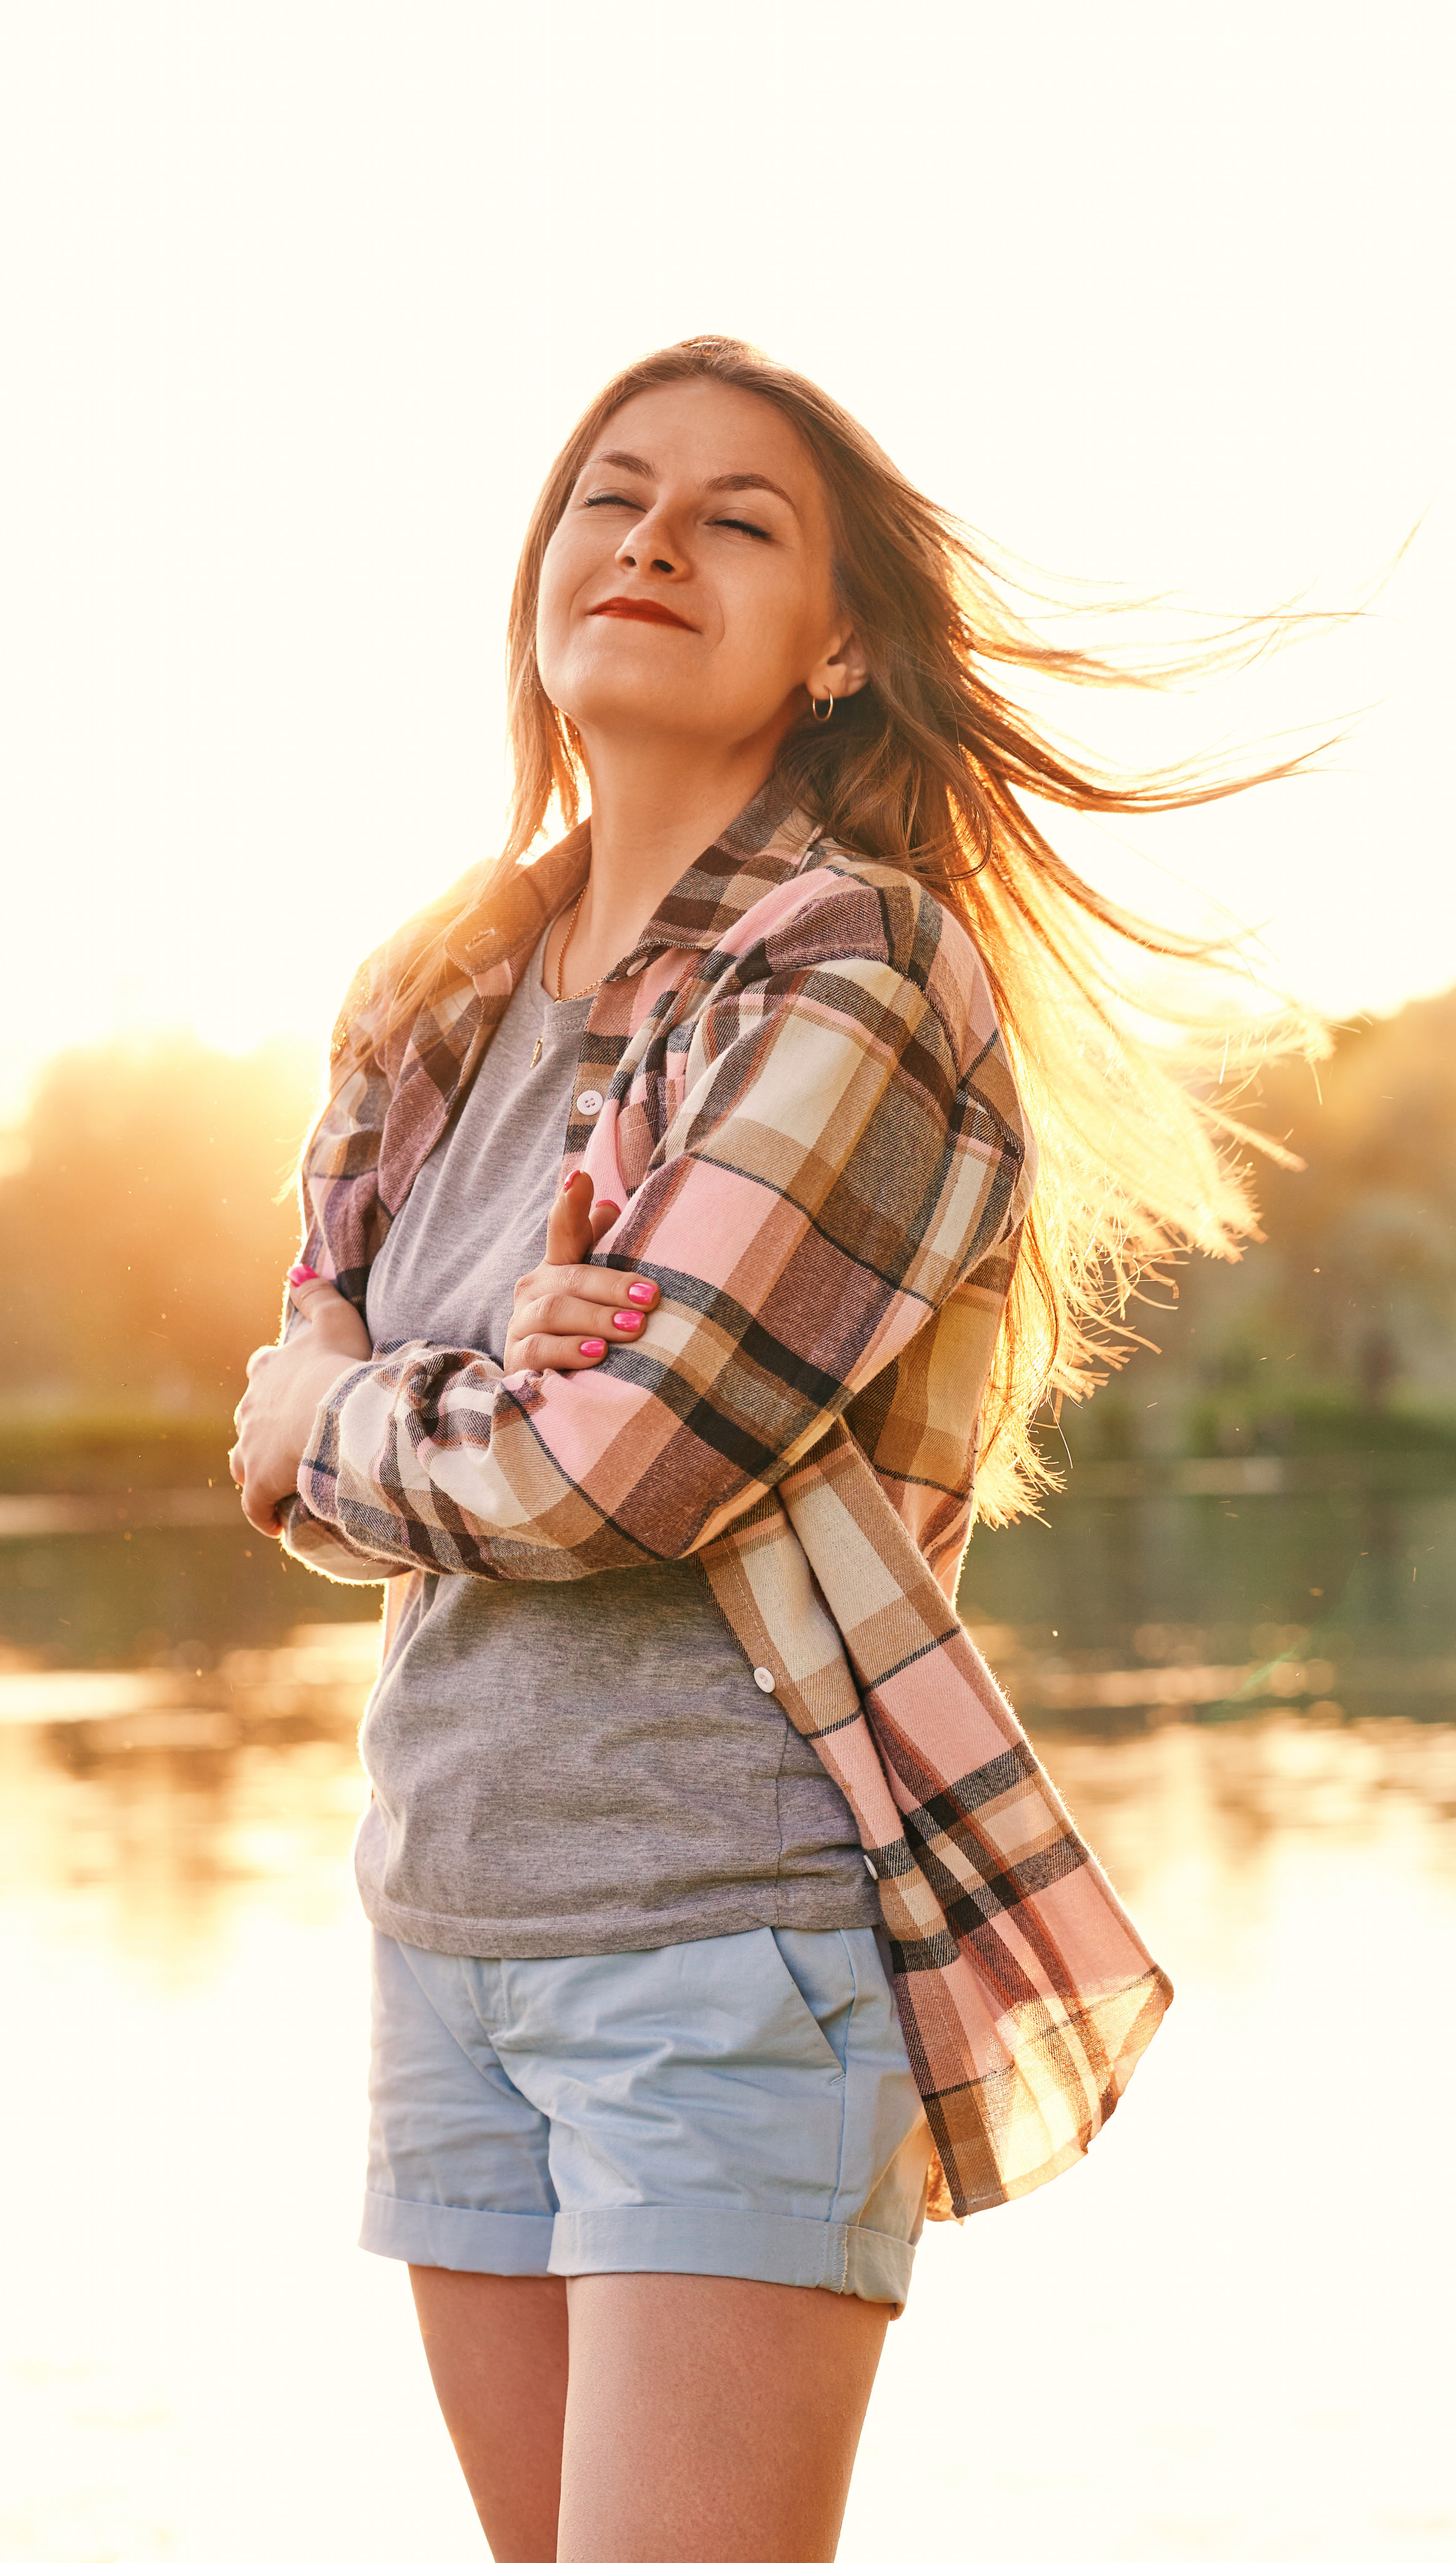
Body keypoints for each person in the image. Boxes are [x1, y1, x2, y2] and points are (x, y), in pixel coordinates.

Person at [229, 335, 1309, 2563]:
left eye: (736, 519)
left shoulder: (856, 973)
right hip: (445, 1918)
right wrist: (425, 1407)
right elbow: (320, 1475)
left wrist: (370, 1410)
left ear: (833, 649)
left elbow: (596, 1470)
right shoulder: (434, 990)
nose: (650, 539)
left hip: (721, 1951)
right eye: (611, 496)